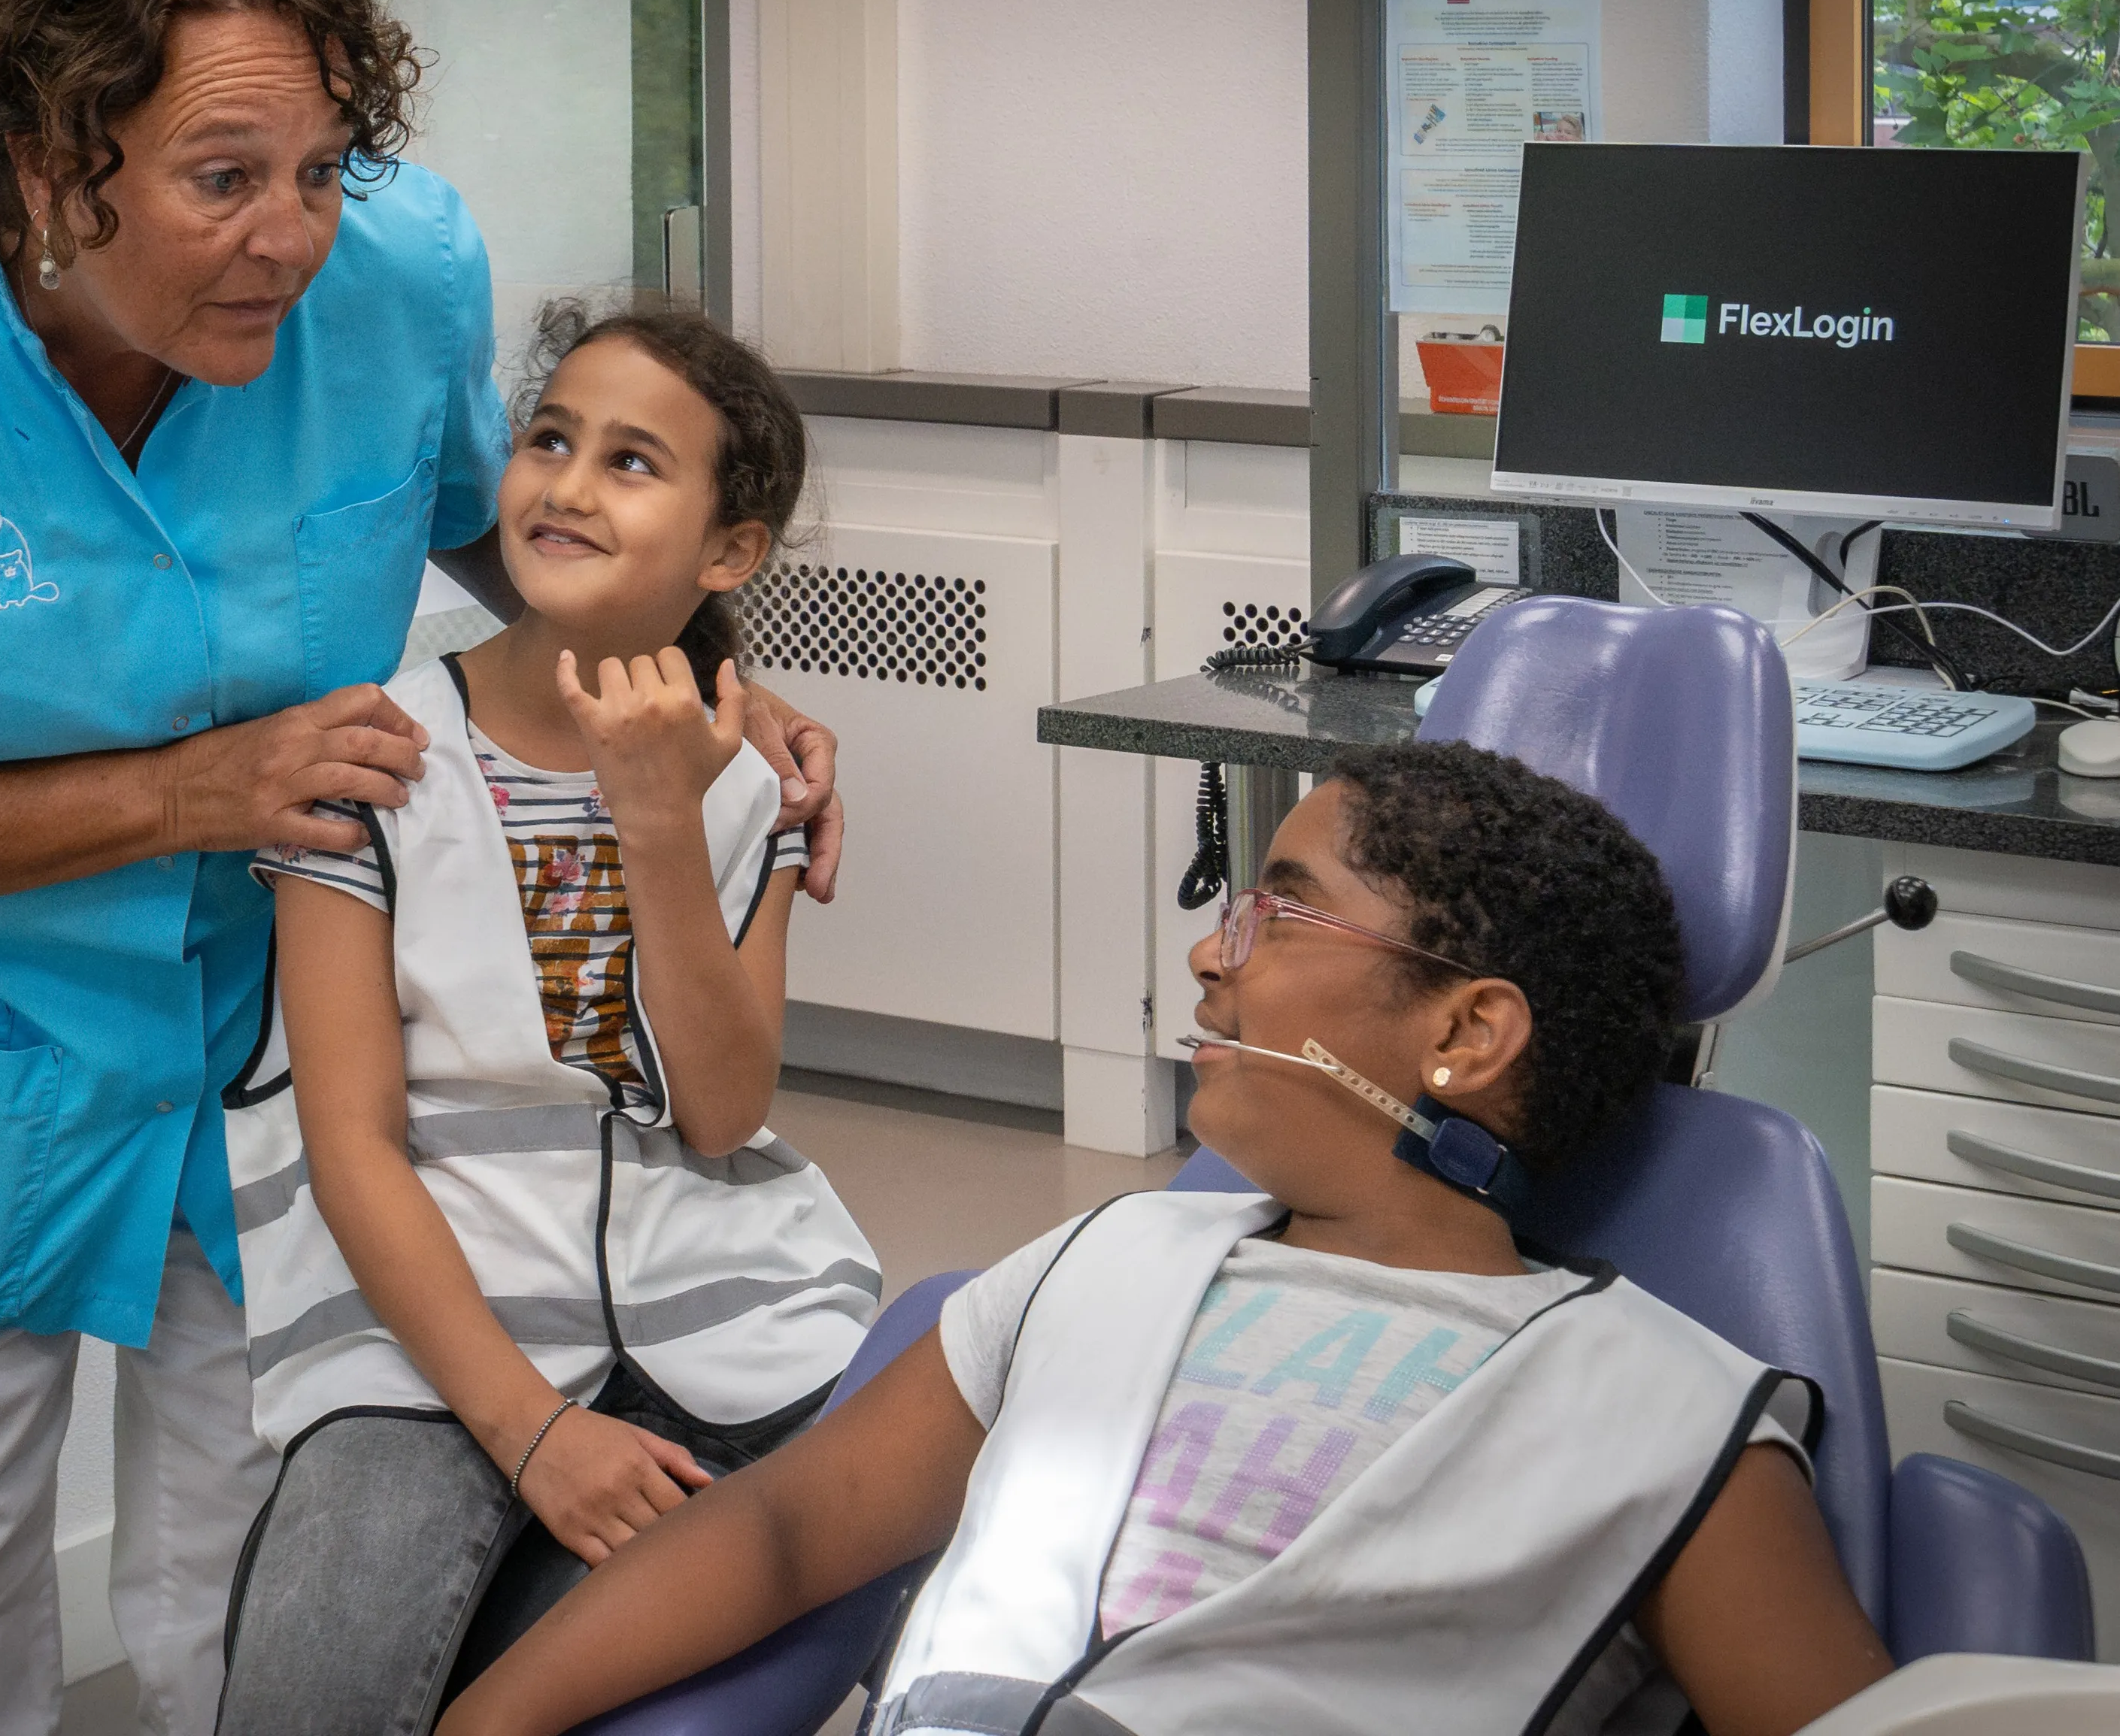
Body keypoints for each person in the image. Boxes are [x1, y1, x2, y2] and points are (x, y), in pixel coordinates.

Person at [0, 0, 837, 1736]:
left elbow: (532, 545)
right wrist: (182, 794)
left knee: (241, 1595)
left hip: (285, 1062)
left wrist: (708, 697)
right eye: (223, 179)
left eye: (321, 165)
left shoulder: (399, 271)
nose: (291, 236)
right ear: (53, 162)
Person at [437, 743, 1898, 1736]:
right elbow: (780, 1527)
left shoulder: (1658, 1407)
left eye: (1284, 913)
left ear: (1464, 1028)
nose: (1212, 947)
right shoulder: (1106, 1257)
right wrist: (485, 1717)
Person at [214, 304, 878, 1735]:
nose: (567, 485)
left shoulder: (745, 780)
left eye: (633, 461)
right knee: (315, 1689)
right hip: (426, 1336)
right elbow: (352, 1149)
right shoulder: (372, 762)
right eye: (550, 439)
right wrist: (536, 1439)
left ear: (728, 550)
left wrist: (658, 823)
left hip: (714, 1320)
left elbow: (719, 1111)